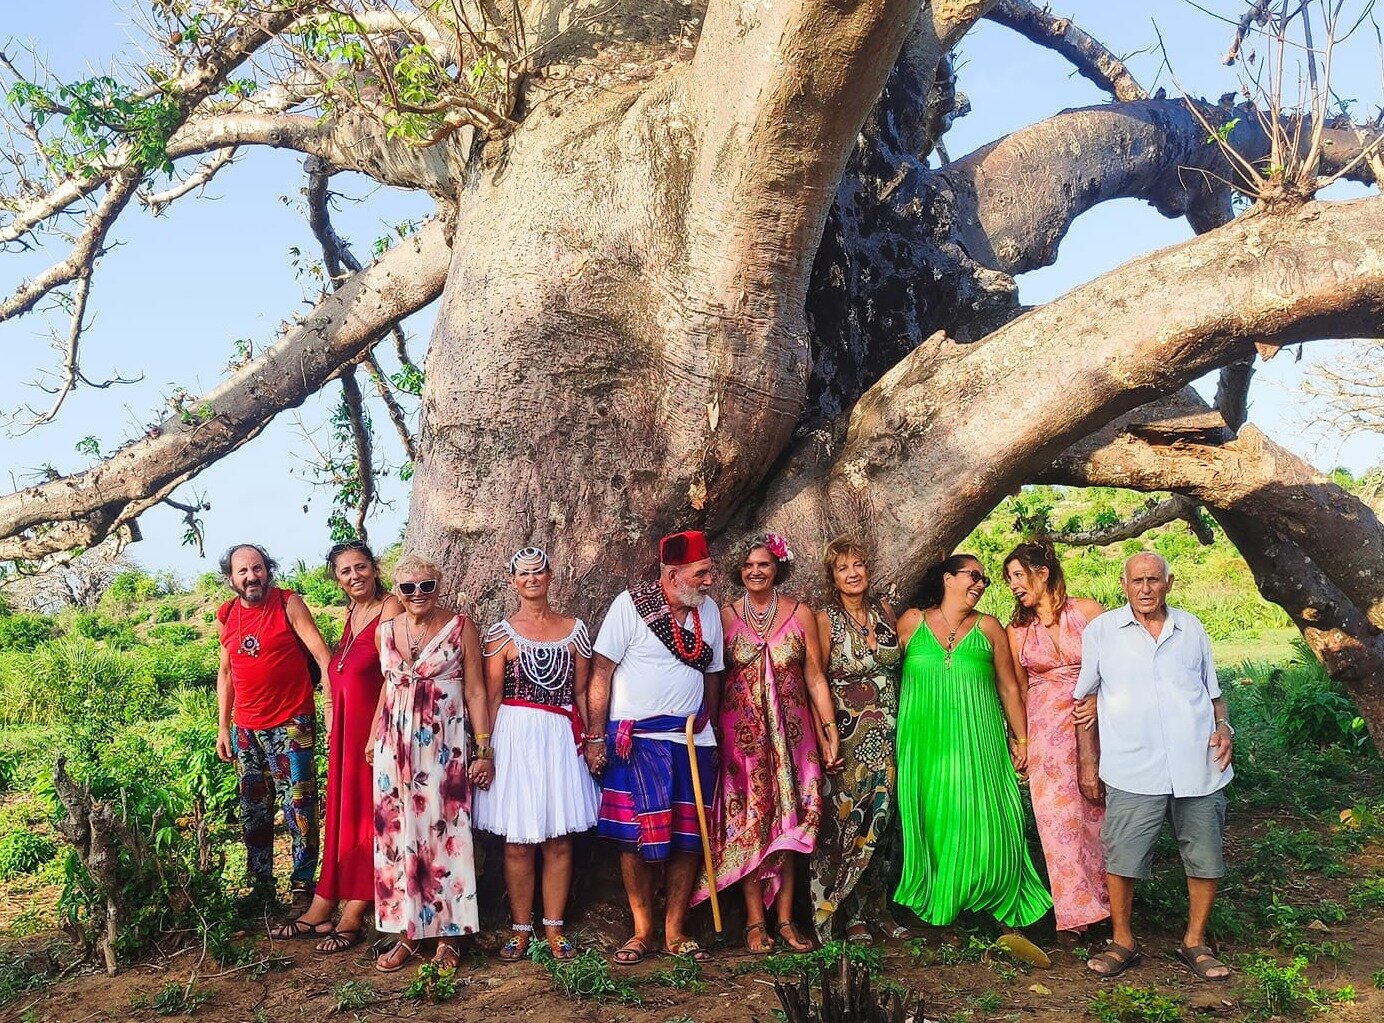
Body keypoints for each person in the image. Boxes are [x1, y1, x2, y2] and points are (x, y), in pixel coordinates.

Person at [1075, 552, 1234, 982]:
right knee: (1123, 854)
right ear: (1123, 585)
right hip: (1132, 764)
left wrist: (1225, 728)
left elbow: (1213, 691)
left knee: (1205, 855)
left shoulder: (1191, 628)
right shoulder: (1103, 632)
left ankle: (1195, 942)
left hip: (1198, 763)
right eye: (1137, 581)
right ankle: (1123, 940)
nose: (1145, 589)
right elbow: (1084, 700)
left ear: (1170, 582)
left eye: (1154, 580)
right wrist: (1088, 759)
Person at [693, 532, 838, 954]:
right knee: (749, 823)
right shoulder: (724, 615)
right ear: (740, 573)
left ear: (778, 568)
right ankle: (756, 923)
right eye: (748, 566)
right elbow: (714, 675)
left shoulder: (800, 612)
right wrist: (710, 727)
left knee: (791, 824)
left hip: (794, 739)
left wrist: (829, 729)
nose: (756, 571)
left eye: (764, 564)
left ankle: (787, 920)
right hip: (744, 740)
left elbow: (813, 675)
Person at [586, 530, 725, 965]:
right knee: (634, 840)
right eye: (701, 573)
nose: (708, 581)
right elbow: (601, 673)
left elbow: (714, 675)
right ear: (672, 574)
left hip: (691, 740)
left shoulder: (710, 613)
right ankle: (642, 930)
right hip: (636, 743)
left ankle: (675, 930)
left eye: (709, 572)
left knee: (687, 839)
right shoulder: (630, 606)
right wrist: (595, 737)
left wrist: (710, 727)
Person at [893, 553, 1052, 930]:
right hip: (924, 741)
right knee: (935, 821)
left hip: (979, 739)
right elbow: (885, 676)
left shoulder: (989, 627)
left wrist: (1023, 739)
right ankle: (945, 898)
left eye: (985, 581)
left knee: (992, 816)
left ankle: (992, 896)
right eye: (974, 576)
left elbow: (1010, 689)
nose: (980, 584)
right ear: (948, 578)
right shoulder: (911, 622)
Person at [271, 540, 403, 950]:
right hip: (346, 731)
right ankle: (324, 904)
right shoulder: (352, 612)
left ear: (374, 568)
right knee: (344, 816)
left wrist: (375, 732)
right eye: (345, 571)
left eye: (360, 567)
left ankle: (355, 911)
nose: (354, 576)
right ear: (337, 579)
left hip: (372, 731)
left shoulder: (391, 609)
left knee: (367, 819)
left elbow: (395, 677)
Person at [368, 555, 494, 973]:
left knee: (445, 834)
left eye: (426, 586)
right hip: (394, 750)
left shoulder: (460, 627)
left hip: (444, 748)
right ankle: (408, 934)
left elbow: (476, 690)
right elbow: (388, 691)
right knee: (397, 838)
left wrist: (483, 746)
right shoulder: (385, 631)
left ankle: (449, 937)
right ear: (397, 592)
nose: (417, 594)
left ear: (439, 586)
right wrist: (373, 739)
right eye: (408, 588)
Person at [474, 547, 600, 962]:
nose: (531, 579)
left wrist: (593, 739)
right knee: (518, 841)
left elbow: (581, 692)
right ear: (513, 581)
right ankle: (521, 927)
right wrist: (485, 751)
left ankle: (555, 928)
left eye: (538, 572)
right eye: (523, 574)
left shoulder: (575, 630)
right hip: (515, 737)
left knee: (560, 839)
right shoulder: (501, 634)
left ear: (550, 575)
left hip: (560, 738)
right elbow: (491, 699)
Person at [1003, 540, 1110, 938]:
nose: (1013, 585)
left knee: (1098, 815)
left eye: (1018, 575)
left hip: (1094, 724)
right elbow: (1015, 687)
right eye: (1009, 578)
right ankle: (1077, 913)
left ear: (1042, 572)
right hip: (1046, 732)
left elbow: (1117, 668)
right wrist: (1022, 741)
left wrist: (1098, 700)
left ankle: (1109, 902)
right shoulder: (1017, 631)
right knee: (1057, 822)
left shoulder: (1089, 613)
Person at [215, 543, 331, 906]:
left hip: (292, 721)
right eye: (244, 571)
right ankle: (261, 886)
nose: (252, 576)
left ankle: (302, 885)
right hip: (246, 729)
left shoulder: (288, 603)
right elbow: (226, 672)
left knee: (300, 804)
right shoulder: (227, 615)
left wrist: (330, 704)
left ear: (268, 569)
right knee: (253, 809)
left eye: (258, 568)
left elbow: (321, 655)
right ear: (231, 579)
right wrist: (223, 727)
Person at [810, 536, 906, 945]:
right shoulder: (825, 618)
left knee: (884, 822)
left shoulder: (885, 611)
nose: (853, 573)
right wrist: (827, 733)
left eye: (858, 565)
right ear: (833, 577)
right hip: (847, 736)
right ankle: (844, 911)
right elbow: (814, 676)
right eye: (843, 568)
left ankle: (877, 908)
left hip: (889, 729)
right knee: (847, 822)